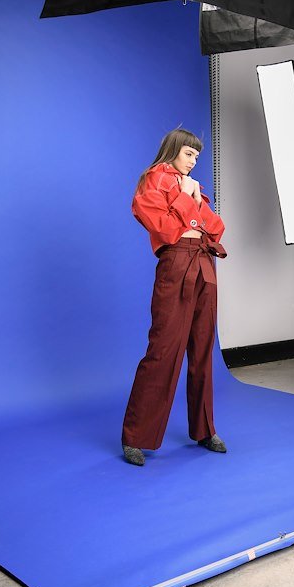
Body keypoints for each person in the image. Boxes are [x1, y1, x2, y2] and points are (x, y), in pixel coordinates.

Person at [121, 128, 228, 467]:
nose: (193, 161)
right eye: (188, 154)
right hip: (177, 261)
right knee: (164, 349)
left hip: (204, 261)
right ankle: (136, 436)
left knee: (202, 350)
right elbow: (165, 229)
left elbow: (216, 228)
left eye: (196, 156)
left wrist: (192, 201)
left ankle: (204, 429)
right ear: (173, 149)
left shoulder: (192, 185)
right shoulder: (154, 179)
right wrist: (186, 198)